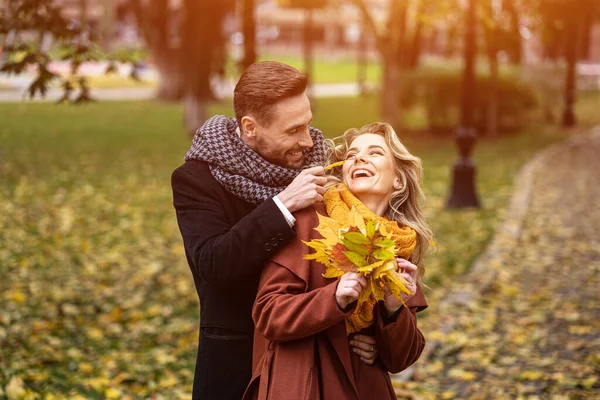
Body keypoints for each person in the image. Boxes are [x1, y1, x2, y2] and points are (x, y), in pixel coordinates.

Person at [171, 61, 378, 400]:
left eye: (307, 124)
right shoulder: (197, 180)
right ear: (250, 127)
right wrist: (282, 206)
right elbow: (213, 265)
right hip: (238, 363)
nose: (308, 141)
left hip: (319, 354)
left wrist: (373, 336)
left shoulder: (324, 169)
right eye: (292, 130)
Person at [244, 122, 433, 400]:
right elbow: (268, 314)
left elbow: (401, 359)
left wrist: (394, 311)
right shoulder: (309, 221)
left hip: (365, 387)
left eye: (375, 152)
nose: (359, 158)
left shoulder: (398, 245)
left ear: (398, 180)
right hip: (306, 382)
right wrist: (335, 298)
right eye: (353, 154)